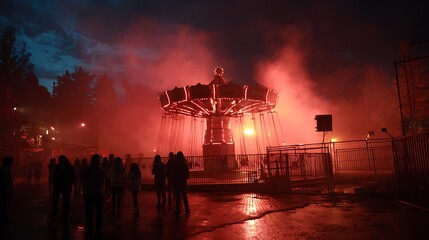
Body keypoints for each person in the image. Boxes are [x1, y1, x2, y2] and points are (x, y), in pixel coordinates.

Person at [81, 154, 107, 235]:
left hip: (89, 193)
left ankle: (89, 226)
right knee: (99, 212)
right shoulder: (102, 170)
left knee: (89, 211)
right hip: (99, 193)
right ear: (99, 161)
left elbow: (84, 182)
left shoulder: (87, 170)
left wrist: (84, 191)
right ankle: (98, 227)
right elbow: (104, 183)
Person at [52, 155, 75, 220]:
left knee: (65, 200)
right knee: (59, 200)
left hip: (65, 186)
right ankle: (57, 212)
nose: (60, 161)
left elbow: (72, 176)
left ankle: (65, 213)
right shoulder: (61, 167)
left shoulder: (68, 167)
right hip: (61, 186)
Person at [173, 151, 190, 216]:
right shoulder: (184, 164)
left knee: (178, 197)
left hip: (177, 182)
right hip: (183, 182)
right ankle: (187, 210)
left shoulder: (175, 164)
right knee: (184, 196)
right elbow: (187, 175)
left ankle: (177, 210)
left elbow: (173, 174)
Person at [0, 157, 14, 225]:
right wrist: (12, 189)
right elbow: (10, 181)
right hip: (7, 189)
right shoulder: (8, 170)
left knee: (4, 203)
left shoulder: (2, 169)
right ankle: (6, 216)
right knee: (7, 203)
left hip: (3, 189)